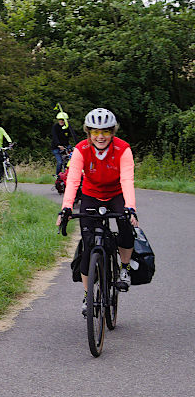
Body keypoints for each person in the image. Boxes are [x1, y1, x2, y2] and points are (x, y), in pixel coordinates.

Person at [55, 108, 139, 316]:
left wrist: (130, 208)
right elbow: (73, 180)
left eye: (105, 132)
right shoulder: (81, 150)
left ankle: (125, 268)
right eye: (95, 132)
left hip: (117, 194)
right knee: (88, 245)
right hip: (91, 195)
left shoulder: (122, 149)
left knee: (125, 226)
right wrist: (66, 207)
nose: (100, 137)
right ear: (88, 133)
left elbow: (127, 180)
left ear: (113, 132)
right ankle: (88, 295)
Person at [51, 111, 77, 175]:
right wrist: (58, 145)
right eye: (60, 120)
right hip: (56, 147)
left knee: (69, 162)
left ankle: (67, 176)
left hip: (66, 146)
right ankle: (58, 176)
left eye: (63, 120)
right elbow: (55, 137)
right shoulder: (55, 127)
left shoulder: (67, 127)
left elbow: (73, 135)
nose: (61, 121)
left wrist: (77, 144)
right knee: (60, 162)